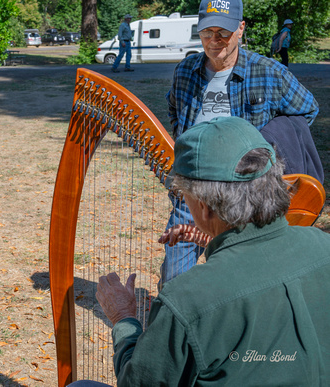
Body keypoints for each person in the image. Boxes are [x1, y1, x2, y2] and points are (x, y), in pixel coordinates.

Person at [71, 116, 330, 386]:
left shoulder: (187, 300)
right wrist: (212, 238)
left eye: (185, 195)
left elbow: (138, 382)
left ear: (205, 206)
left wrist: (123, 317)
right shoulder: (323, 245)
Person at [161, 0, 319, 285]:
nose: (215, 40)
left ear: (241, 29)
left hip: (246, 198)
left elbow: (307, 108)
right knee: (173, 279)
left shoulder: (269, 72)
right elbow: (175, 109)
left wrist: (270, 145)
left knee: (244, 281)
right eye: (207, 32)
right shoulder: (185, 71)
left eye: (224, 31)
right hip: (194, 192)